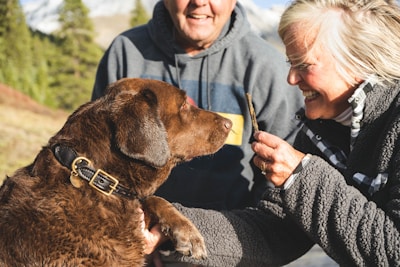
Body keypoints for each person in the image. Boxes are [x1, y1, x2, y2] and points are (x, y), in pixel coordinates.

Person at [143, 0, 400, 266]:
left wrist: (300, 177)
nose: (291, 79)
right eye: (291, 63)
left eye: (304, 64)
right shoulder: (320, 132)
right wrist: (170, 225)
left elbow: (392, 250)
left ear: (360, 59)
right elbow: (274, 232)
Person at [92, 0, 303, 211]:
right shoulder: (126, 54)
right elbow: (97, 157)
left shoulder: (266, 68)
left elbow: (282, 185)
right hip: (136, 230)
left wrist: (247, 237)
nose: (199, 2)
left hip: (234, 233)